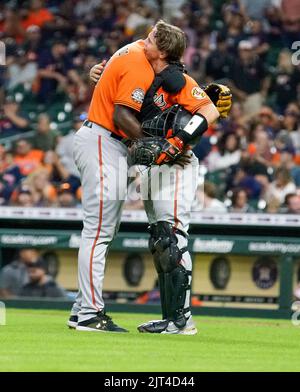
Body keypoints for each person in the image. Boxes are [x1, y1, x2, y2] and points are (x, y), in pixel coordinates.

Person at [68, 20, 227, 334]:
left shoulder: (168, 76)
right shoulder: (138, 61)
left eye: (152, 38)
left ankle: (89, 311)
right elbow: (120, 115)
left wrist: (177, 141)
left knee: (155, 236)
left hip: (126, 150)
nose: (145, 39)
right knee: (99, 231)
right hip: (106, 140)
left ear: (163, 55)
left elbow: (209, 109)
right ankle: (88, 314)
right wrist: (159, 146)